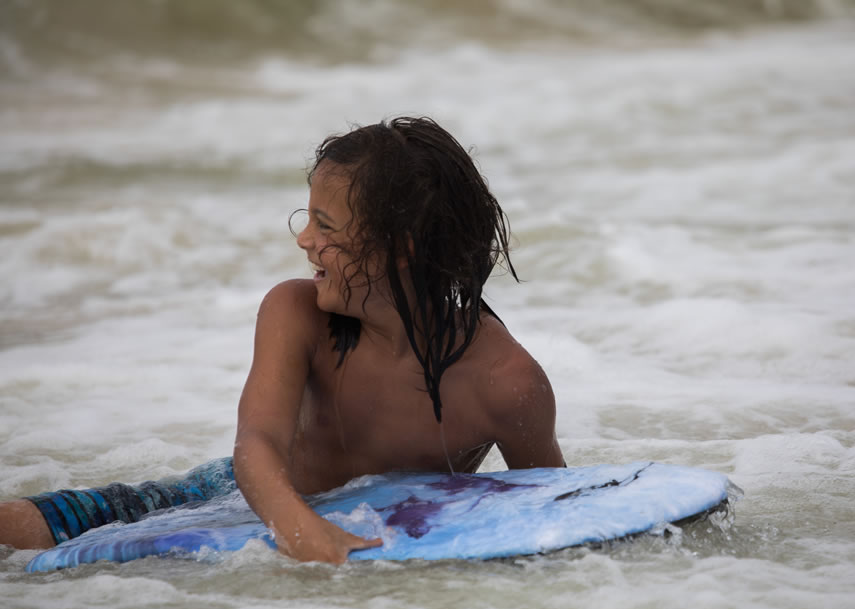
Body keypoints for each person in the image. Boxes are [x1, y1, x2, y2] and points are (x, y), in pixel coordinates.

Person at [0, 116, 565, 564]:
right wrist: (298, 529)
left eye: (326, 226)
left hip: (383, 526)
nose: (304, 239)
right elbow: (258, 444)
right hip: (238, 496)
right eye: (307, 218)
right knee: (20, 528)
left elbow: (559, 507)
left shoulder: (507, 383)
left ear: (401, 249)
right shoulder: (297, 314)